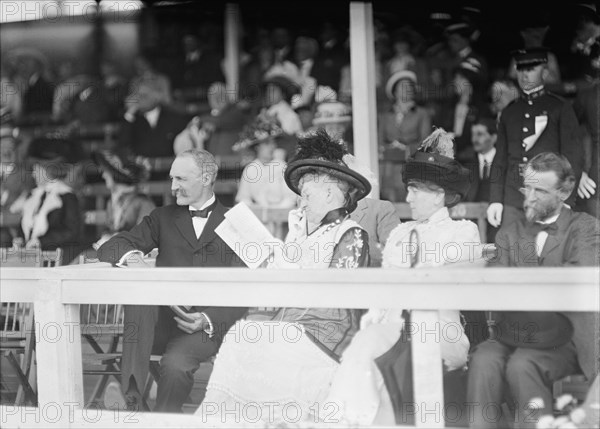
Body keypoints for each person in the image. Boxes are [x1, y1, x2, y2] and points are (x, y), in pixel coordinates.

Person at [195, 130, 371, 424]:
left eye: (307, 192)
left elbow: (339, 296)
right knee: (242, 334)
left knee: (254, 339)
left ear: (330, 193)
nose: (301, 200)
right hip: (289, 325)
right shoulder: (299, 232)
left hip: (325, 332)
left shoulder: (351, 234)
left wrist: (288, 272)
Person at [325, 128, 480, 426]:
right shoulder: (399, 234)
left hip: (439, 330)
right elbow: (385, 292)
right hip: (392, 327)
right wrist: (374, 315)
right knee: (366, 344)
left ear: (438, 195)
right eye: (408, 188)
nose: (407, 197)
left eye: (416, 190)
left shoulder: (462, 232)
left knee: (373, 347)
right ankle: (347, 420)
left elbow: (457, 288)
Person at [97, 149, 247, 413]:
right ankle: (130, 401)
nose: (173, 186)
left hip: (206, 326)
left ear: (206, 177)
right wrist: (134, 260)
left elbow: (247, 289)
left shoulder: (237, 222)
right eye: (171, 178)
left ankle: (163, 420)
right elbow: (112, 246)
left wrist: (207, 319)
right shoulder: (161, 217)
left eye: (181, 179)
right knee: (139, 299)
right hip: (159, 323)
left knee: (175, 366)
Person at [467, 152, 600, 429]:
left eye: (540, 190)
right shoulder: (509, 232)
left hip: (566, 340)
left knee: (523, 364)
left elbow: (576, 280)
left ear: (564, 192)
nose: (530, 196)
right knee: (483, 358)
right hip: (513, 334)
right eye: (527, 187)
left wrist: (519, 285)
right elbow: (494, 284)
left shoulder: (585, 228)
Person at [487, 48, 583, 229]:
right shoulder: (509, 111)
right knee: (512, 253)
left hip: (549, 198)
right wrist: (495, 199)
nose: (524, 75)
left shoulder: (560, 107)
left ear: (545, 72)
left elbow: (572, 157)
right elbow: (500, 160)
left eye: (531, 69)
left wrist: (567, 198)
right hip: (513, 198)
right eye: (521, 69)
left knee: (548, 254)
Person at [17, 136, 82, 264]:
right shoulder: (33, 196)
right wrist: (19, 239)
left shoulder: (67, 197)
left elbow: (71, 231)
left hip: (56, 257)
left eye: (37, 170)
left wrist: (42, 241)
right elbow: (24, 225)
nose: (33, 174)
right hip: (30, 257)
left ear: (47, 171)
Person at [84, 150, 155, 257]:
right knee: (85, 256)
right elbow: (109, 229)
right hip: (115, 253)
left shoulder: (143, 202)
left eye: (106, 172)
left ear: (116, 175)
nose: (103, 176)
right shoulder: (111, 202)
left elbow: (146, 236)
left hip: (135, 257)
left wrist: (118, 238)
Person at [379, 70, 432, 202]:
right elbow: (379, 140)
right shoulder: (386, 115)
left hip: (412, 164)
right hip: (389, 167)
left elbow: (426, 142)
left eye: (409, 87)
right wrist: (388, 148)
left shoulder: (421, 113)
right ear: (394, 92)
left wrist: (406, 148)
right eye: (402, 87)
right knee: (389, 199)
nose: (407, 90)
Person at [119, 76, 190, 160]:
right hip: (141, 170)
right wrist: (129, 114)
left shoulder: (174, 117)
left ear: (156, 97)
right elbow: (122, 145)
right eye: (137, 96)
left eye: (144, 96)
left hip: (168, 169)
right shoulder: (132, 119)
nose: (139, 100)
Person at [233, 113, 297, 209]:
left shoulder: (281, 166)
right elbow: (243, 197)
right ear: (257, 147)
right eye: (267, 144)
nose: (272, 147)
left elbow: (290, 197)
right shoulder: (250, 169)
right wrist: (255, 210)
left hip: (280, 215)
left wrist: (275, 212)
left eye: (273, 143)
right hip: (257, 215)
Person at [465, 116, 499, 242]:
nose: (475, 139)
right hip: (472, 227)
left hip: (498, 224)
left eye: (480, 134)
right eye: (473, 134)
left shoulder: (506, 161)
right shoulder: (464, 162)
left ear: (494, 137)